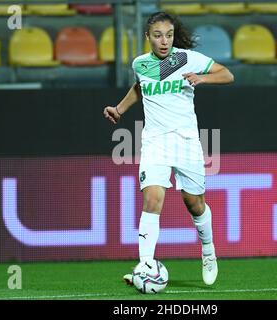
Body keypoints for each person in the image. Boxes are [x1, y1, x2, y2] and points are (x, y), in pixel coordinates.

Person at [103, 11, 234, 286]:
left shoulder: (187, 59)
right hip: (155, 143)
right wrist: (119, 109)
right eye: (158, 35)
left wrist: (203, 79)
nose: (164, 41)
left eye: (169, 35)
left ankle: (208, 251)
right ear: (147, 37)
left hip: (186, 143)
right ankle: (145, 266)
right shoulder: (140, 63)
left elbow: (227, 74)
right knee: (152, 199)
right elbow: (141, 88)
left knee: (194, 204)